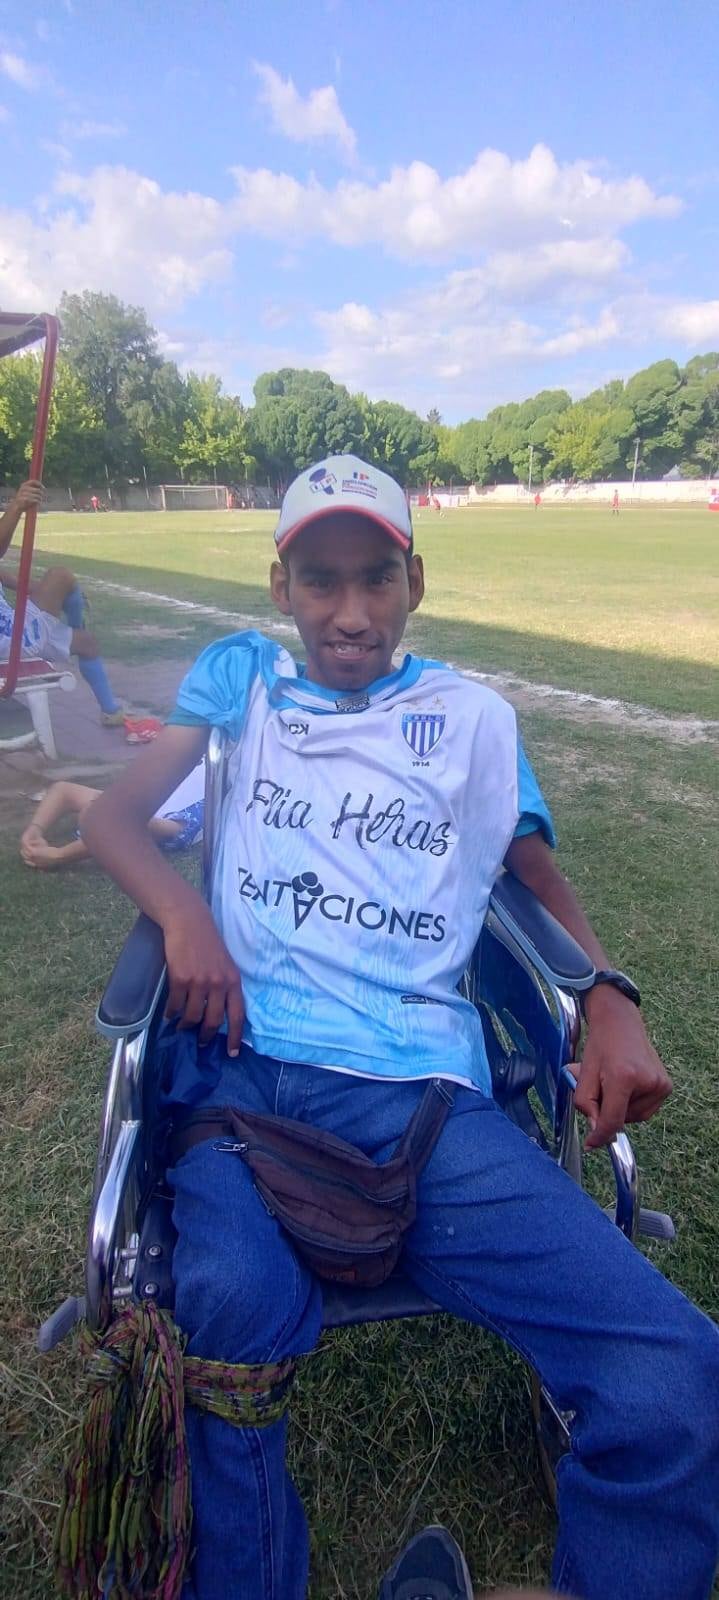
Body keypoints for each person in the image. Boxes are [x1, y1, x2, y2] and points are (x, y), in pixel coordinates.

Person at [81, 453, 719, 1600]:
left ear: (414, 579)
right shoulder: (242, 684)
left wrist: (606, 996)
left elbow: (527, 873)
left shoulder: (473, 720)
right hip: (238, 1087)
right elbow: (121, 818)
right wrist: (182, 911)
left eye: (375, 578)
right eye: (319, 581)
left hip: (419, 1102)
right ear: (280, 586)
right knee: (232, 1303)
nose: (348, 611)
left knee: (672, 1368)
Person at [0, 479, 124, 724]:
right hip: (9, 643)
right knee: (61, 576)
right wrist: (16, 507)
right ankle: (76, 621)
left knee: (87, 644)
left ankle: (111, 712)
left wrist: (36, 589)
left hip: (14, 627)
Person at [20, 759, 204, 870]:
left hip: (157, 813)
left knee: (109, 816)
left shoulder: (180, 824)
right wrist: (35, 829)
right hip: (145, 802)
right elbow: (63, 791)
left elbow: (114, 825)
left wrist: (59, 855)